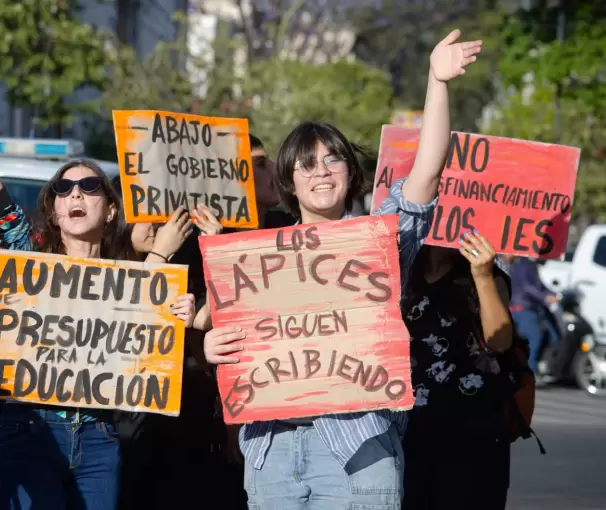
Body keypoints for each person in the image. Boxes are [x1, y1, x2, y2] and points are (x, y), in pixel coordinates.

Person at [203, 29, 482, 509]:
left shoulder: (379, 240)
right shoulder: (256, 255)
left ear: (350, 172)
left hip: (356, 445)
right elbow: (235, 337)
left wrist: (437, 82)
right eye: (307, 164)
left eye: (332, 160)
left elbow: (427, 174)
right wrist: (215, 347)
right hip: (271, 449)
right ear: (289, 180)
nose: (321, 171)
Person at [0, 37, 196, 510]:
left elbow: (149, 351)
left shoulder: (131, 275)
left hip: (99, 437)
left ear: (110, 209)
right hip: (30, 430)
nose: (75, 194)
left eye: (89, 186)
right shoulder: (28, 255)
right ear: (54, 211)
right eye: (64, 188)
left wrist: (178, 309)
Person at [401, 234, 513, 510]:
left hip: (470, 436)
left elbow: (500, 341)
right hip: (408, 432)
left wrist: (482, 275)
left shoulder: (487, 274)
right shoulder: (404, 268)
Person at [504, 255, 559, 375]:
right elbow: (528, 287)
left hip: (526, 308)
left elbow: (539, 286)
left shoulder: (525, 264)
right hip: (524, 309)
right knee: (533, 340)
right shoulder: (525, 264)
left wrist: (552, 294)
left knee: (550, 336)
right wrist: (545, 297)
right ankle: (529, 373)